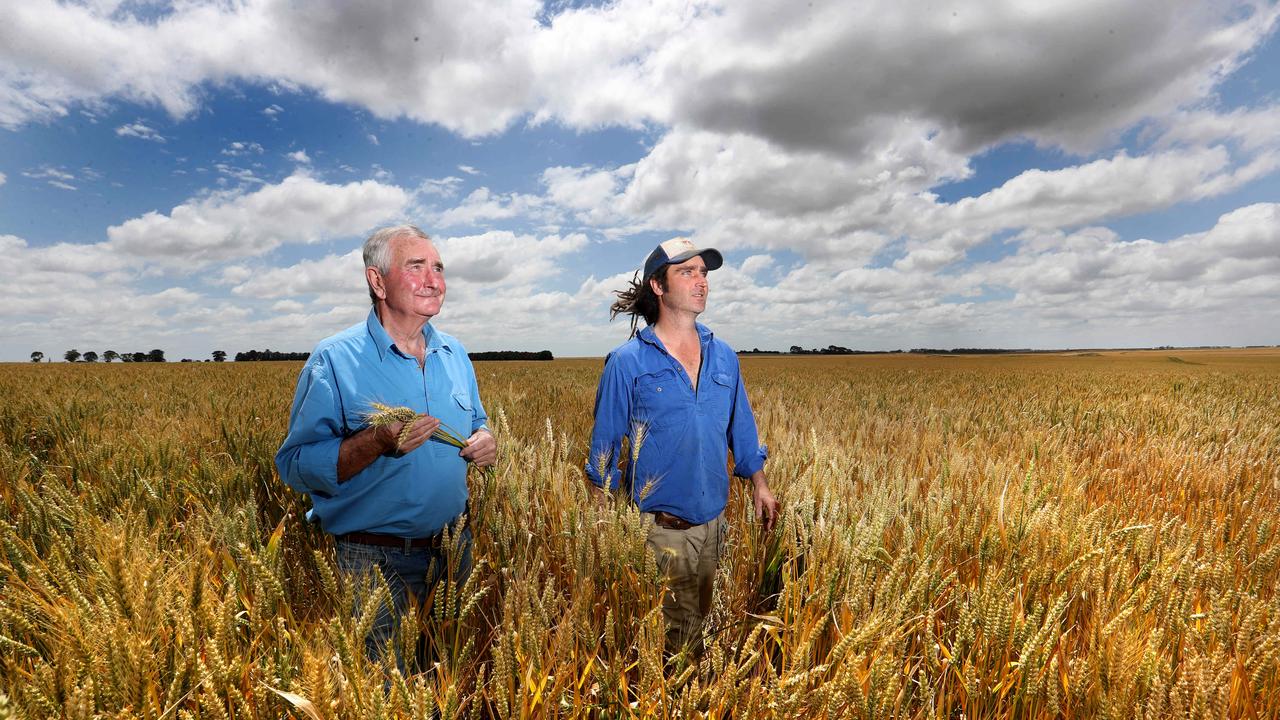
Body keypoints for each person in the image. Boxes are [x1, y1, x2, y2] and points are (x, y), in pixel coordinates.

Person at [275, 224, 496, 669]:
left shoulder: (455, 353)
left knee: (444, 677)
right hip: (373, 560)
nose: (434, 280)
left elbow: (476, 419)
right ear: (377, 281)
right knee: (384, 691)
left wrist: (485, 438)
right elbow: (295, 465)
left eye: (438, 267)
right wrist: (375, 440)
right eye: (416, 267)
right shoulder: (335, 359)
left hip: (453, 550)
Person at [585, 237, 779, 658]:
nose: (701, 282)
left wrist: (760, 484)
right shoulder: (628, 362)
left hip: (715, 526)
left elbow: (741, 428)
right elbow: (603, 450)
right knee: (673, 647)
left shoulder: (724, 356)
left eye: (704, 273)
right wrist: (603, 530)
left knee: (700, 627)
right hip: (659, 531)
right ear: (658, 285)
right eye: (686, 272)